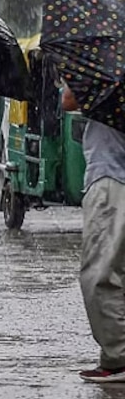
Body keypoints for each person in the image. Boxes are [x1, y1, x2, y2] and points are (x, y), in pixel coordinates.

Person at [62, 84, 125, 382]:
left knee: (98, 275)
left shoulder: (105, 72)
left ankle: (118, 358)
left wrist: (68, 78)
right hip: (113, 176)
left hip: (110, 180)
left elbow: (69, 100)